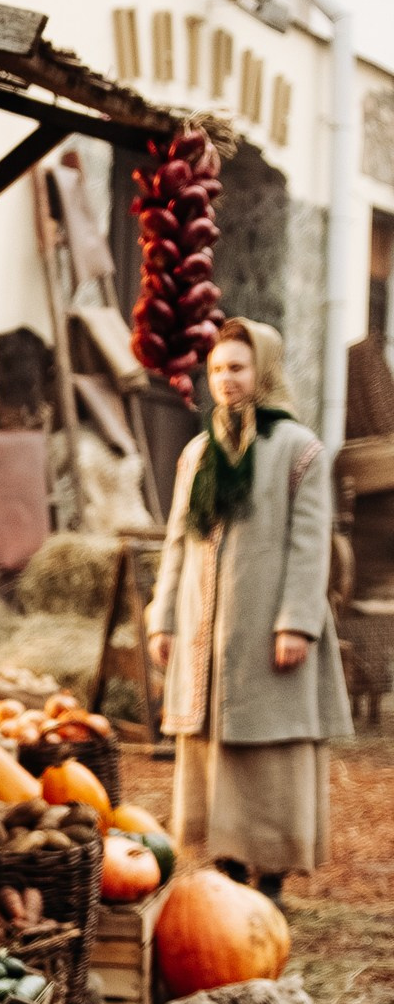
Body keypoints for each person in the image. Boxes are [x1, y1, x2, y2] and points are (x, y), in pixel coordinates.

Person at [146, 316, 351, 898]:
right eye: (215, 370)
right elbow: (179, 540)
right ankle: (227, 869)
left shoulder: (298, 450)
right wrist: (163, 617)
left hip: (268, 625)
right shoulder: (197, 453)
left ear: (263, 370)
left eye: (237, 367)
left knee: (269, 744)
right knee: (214, 741)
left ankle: (271, 879)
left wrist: (295, 624)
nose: (225, 380)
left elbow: (310, 545)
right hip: (205, 627)